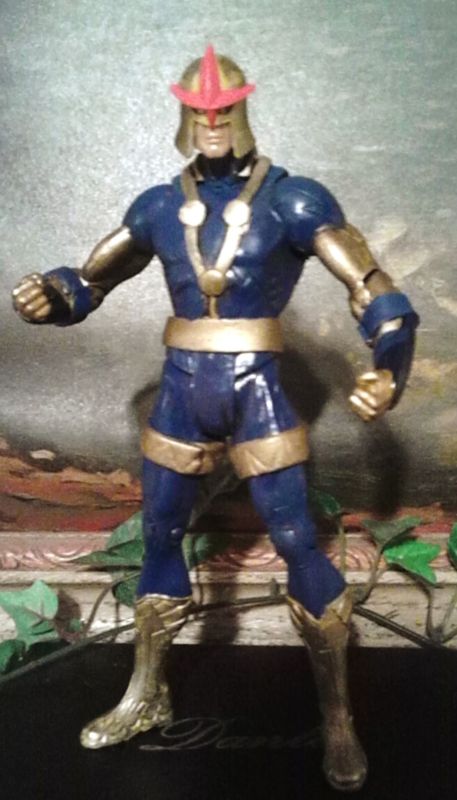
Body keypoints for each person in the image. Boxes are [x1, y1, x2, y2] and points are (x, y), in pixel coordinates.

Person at [12, 46, 418, 791]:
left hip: (258, 387)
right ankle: (147, 693)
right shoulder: (156, 207)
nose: (211, 124)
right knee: (161, 533)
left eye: (222, 110)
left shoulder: (295, 202)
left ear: (242, 110)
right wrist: (50, 296)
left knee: (296, 540)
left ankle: (336, 718)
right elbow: (90, 283)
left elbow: (376, 291)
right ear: (183, 116)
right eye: (198, 112)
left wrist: (388, 368)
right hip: (181, 387)